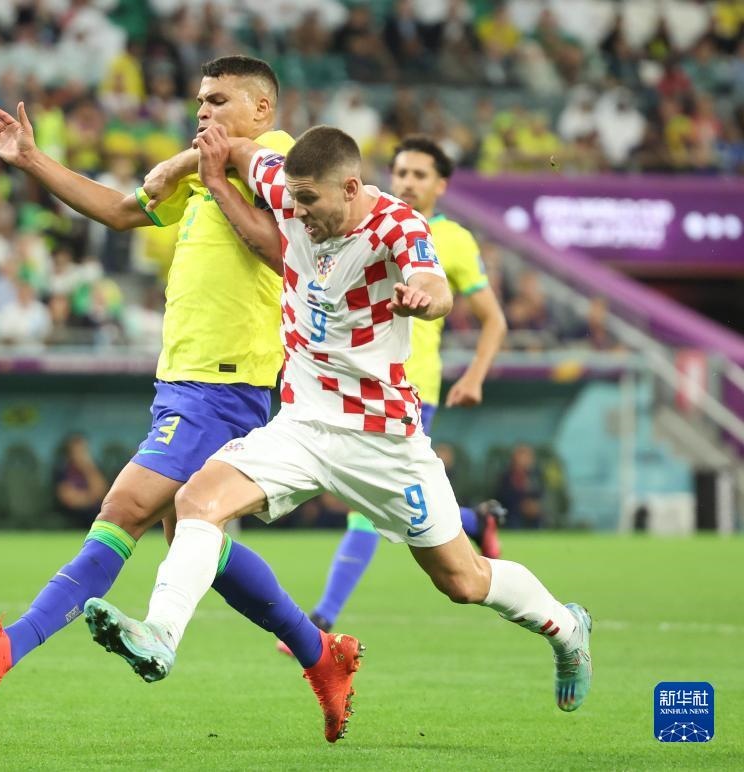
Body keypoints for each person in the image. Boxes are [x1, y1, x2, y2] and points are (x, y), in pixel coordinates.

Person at [83, 125, 593, 718]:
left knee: (463, 581)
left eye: (309, 201)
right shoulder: (288, 188)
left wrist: (425, 298)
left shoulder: (398, 225)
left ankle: (566, 628)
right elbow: (234, 150)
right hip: (302, 424)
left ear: (350, 188)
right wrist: (177, 168)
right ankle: (161, 633)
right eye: (292, 198)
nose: (295, 212)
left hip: (382, 440)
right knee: (196, 501)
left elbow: (434, 283)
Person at [0, 56, 361, 742]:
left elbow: (283, 251)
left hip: (225, 385)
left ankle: (8, 646)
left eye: (219, 100)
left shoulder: (282, 162)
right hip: (181, 384)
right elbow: (118, 210)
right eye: (200, 101)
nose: (202, 111)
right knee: (192, 538)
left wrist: (187, 165)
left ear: (262, 110)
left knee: (123, 510)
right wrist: (32, 161)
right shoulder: (205, 176)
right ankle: (322, 655)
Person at [288, 135, 509, 638]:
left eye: (420, 175)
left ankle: (321, 620)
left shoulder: (452, 240)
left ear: (441, 185)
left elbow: (493, 320)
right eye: (401, 172)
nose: (407, 182)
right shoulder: (361, 225)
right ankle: (476, 521)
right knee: (391, 504)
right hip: (349, 384)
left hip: (410, 389)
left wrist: (474, 375)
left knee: (366, 510)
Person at [53, 433, 108, 528]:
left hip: (95, 512)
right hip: (71, 515)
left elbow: (101, 492)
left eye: (83, 450)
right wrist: (91, 497)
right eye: (77, 451)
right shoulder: (62, 470)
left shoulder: (94, 467)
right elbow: (69, 499)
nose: (81, 454)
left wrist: (87, 468)